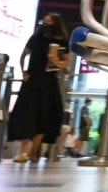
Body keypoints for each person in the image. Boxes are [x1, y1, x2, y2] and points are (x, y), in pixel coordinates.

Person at [7, 12, 69, 163]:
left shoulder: (60, 42)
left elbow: (65, 64)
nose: (45, 25)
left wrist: (56, 62)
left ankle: (33, 150)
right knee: (31, 115)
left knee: (42, 116)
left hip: (44, 81)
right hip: (38, 81)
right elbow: (24, 55)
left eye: (49, 22)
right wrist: (23, 71)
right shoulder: (39, 38)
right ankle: (28, 151)